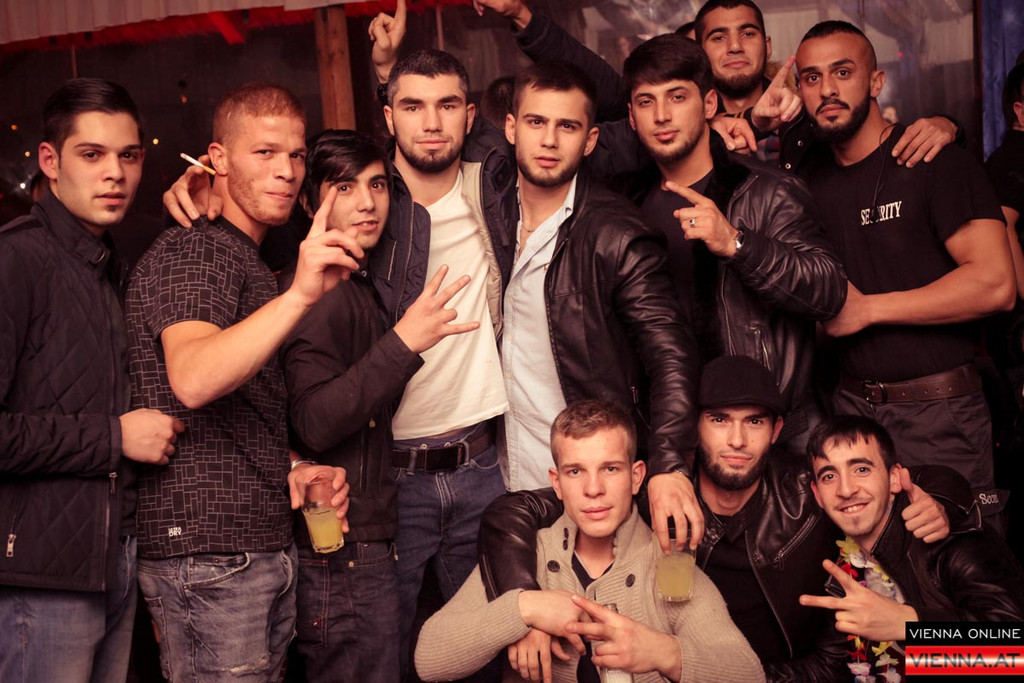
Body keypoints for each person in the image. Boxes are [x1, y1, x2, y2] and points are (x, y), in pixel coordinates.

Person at [478, 355, 974, 682]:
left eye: (753, 421)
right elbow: (514, 509)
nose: (736, 440)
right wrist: (527, 608)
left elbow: (1001, 653)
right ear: (693, 427)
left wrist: (943, 501)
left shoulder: (814, 490)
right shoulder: (650, 492)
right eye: (719, 420)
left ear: (777, 430)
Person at [125, 83, 357, 682]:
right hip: (208, 556)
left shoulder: (242, 256)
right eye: (265, 152)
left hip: (248, 549)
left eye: (296, 155)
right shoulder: (197, 251)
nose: (286, 171)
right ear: (218, 159)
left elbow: (237, 408)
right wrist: (301, 295)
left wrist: (292, 466)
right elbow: (194, 379)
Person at [795, 20, 1016, 526]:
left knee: (961, 560)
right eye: (811, 77)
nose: (827, 90)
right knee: (870, 563)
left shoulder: (934, 160)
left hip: (940, 412)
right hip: (850, 417)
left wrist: (868, 310)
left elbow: (996, 284)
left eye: (843, 72)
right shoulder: (806, 181)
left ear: (876, 81)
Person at [280, 129, 480, 683]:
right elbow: (313, 421)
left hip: (360, 539)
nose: (367, 202)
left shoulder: (356, 283)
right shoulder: (321, 294)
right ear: (310, 202)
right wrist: (405, 342)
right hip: (342, 545)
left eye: (377, 185)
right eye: (344, 187)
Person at [0, 78, 182, 683]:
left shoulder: (104, 265)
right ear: (50, 162)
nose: (115, 174)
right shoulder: (16, 260)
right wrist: (115, 437)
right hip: (40, 577)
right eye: (92, 154)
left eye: (128, 156)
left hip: (112, 562)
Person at [416, 400, 765, 683]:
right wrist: (525, 608)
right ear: (556, 483)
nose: (593, 489)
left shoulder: (667, 564)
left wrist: (663, 652)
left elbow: (748, 674)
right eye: (575, 471)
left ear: (636, 477)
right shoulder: (527, 555)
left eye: (610, 469)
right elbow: (429, 659)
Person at [499, 60, 697, 493]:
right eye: (536, 122)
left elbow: (671, 356)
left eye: (567, 126)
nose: (549, 140)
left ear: (590, 140)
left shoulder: (619, 235)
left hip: (592, 484)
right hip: (499, 477)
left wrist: (668, 464)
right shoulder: (489, 211)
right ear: (511, 128)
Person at [472, 0, 959, 171]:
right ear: (699, 53)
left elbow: (872, 143)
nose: (735, 47)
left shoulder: (813, 112)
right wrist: (523, 16)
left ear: (767, 44)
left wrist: (947, 123)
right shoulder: (670, 121)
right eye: (718, 38)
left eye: (747, 34)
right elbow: (593, 73)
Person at [801, 415, 1024, 681]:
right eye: (829, 476)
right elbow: (826, 668)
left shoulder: (949, 542)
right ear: (818, 495)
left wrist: (909, 624)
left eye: (861, 469)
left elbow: (1014, 657)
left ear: (894, 478)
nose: (846, 490)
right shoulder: (845, 566)